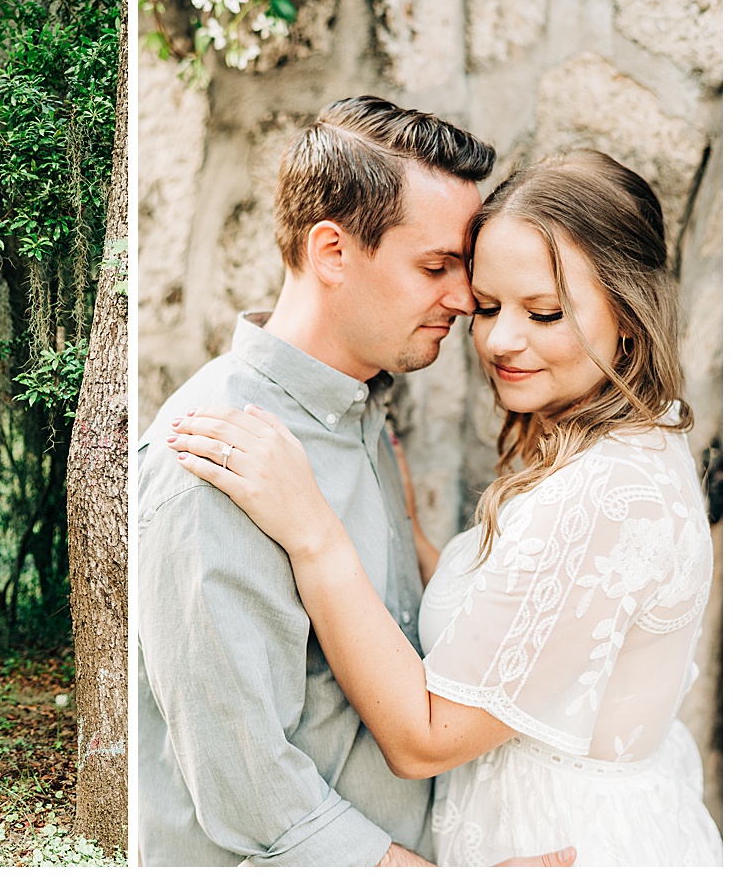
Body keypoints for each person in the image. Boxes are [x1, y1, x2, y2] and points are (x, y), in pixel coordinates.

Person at [170, 150, 723, 866]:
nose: (499, 339)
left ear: (628, 312)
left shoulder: (612, 495)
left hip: (563, 844)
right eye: (488, 306)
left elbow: (424, 736)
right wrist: (401, 516)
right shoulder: (605, 437)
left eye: (545, 312)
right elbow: (505, 620)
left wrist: (315, 534)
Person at [137, 96, 571, 866]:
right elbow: (253, 795)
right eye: (436, 266)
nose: (466, 299)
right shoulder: (215, 458)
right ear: (332, 251)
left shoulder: (366, 409)